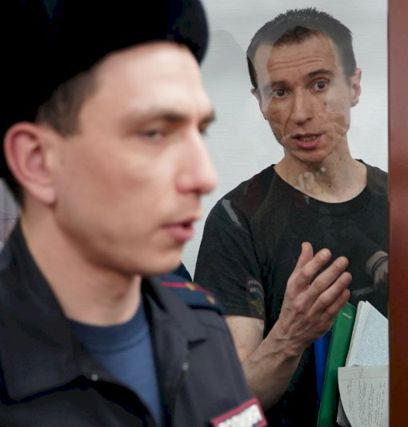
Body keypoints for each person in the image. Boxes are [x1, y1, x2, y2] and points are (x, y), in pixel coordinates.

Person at [0, 1, 265, 426]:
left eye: (199, 131)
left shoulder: (201, 329)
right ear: (39, 162)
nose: (203, 176)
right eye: (154, 133)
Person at [194, 8, 388, 425]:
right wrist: (289, 335)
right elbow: (226, 408)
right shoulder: (237, 220)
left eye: (319, 84)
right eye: (280, 91)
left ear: (354, 86)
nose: (301, 112)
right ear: (260, 102)